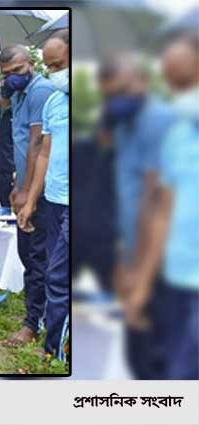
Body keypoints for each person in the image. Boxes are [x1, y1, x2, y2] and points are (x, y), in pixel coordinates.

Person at [97, 52, 176, 379]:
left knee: (167, 352)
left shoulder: (160, 122)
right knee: (139, 349)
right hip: (135, 247)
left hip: (164, 258)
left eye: (123, 90)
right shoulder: (124, 123)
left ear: (142, 82)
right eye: (111, 94)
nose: (117, 100)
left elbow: (157, 203)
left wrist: (140, 276)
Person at [133, 32, 198, 379]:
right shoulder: (177, 134)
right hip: (176, 277)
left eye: (185, 82)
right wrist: (144, 281)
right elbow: (162, 210)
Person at [17, 29, 71, 361]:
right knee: (53, 272)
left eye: (59, 65)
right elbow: (44, 154)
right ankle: (55, 344)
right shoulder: (54, 101)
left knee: (59, 277)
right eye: (49, 67)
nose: (54, 74)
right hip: (54, 200)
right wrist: (31, 199)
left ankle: (56, 351)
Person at [0, 44, 55, 347]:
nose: (13, 77)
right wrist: (16, 183)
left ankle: (33, 323)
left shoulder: (40, 91)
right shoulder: (19, 94)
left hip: (41, 191)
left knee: (36, 257)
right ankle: (39, 314)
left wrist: (27, 194)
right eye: (6, 74)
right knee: (28, 254)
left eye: (18, 71)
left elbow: (37, 145)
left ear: (31, 64)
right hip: (25, 184)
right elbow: (19, 144)